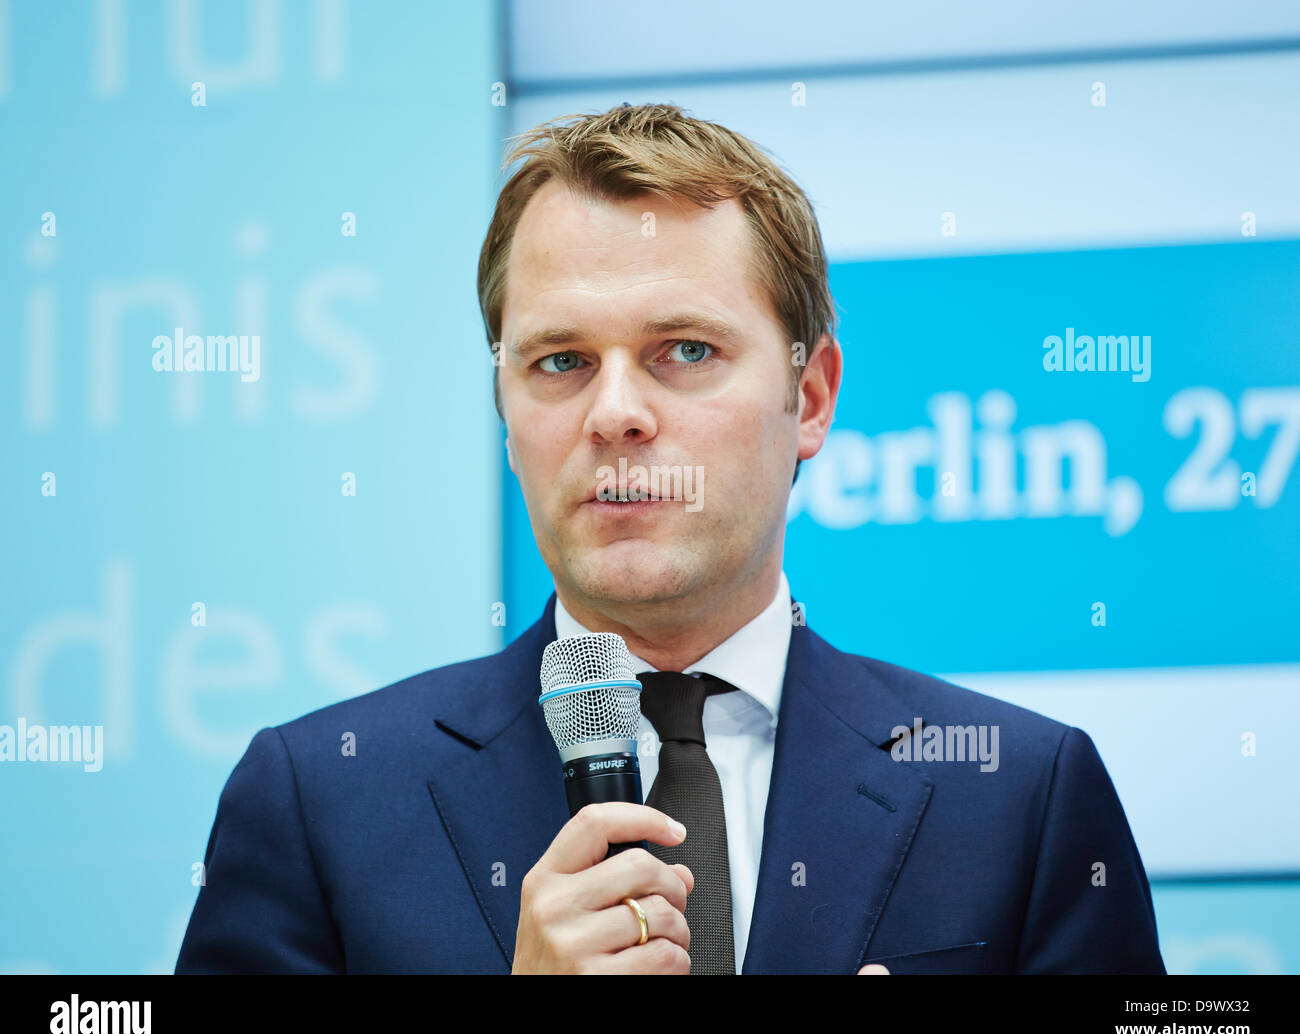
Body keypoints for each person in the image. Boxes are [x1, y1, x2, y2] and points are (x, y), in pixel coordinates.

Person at [175, 103, 1164, 975]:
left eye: (683, 350)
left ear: (808, 395)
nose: (614, 413)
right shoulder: (321, 798)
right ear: (506, 415)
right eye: (559, 359)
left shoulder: (1018, 793)